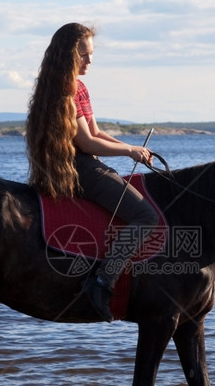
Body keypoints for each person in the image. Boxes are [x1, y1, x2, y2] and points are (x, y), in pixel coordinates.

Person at [26, 22, 160, 322]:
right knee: (146, 216)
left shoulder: (80, 87)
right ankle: (103, 281)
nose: (90, 61)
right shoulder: (64, 90)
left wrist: (133, 147)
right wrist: (129, 151)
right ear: (68, 55)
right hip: (78, 167)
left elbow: (97, 132)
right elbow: (86, 142)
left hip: (84, 161)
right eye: (84, 55)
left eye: (90, 54)